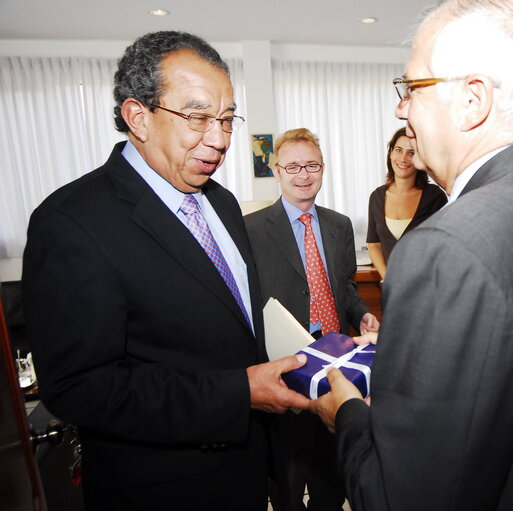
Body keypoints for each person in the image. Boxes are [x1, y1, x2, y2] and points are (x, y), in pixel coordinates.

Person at [309, 0, 513, 509]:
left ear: (472, 99)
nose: (401, 109)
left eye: (412, 88)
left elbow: (400, 498)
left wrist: (349, 415)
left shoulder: (444, 249)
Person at [23, 31, 309, 510]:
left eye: (225, 119)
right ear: (138, 117)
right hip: (163, 486)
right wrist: (236, 394)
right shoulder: (71, 221)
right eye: (197, 117)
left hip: (249, 466)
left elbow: (229, 323)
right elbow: (80, 387)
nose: (218, 140)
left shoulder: (220, 201)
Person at [244, 128, 379, 511]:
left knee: (331, 480)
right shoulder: (251, 229)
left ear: (323, 169)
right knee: (287, 482)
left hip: (337, 369)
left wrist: (364, 314)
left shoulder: (338, 225)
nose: (303, 174)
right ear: (277, 171)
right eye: (293, 166)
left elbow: (346, 287)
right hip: (286, 371)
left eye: (312, 165)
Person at [366, 127, 447, 281]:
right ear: (390, 153)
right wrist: (388, 279)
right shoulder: (376, 197)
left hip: (427, 287)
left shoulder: (434, 197)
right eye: (398, 150)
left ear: (420, 157)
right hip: (392, 291)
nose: (403, 159)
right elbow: (374, 244)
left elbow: (443, 247)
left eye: (411, 153)